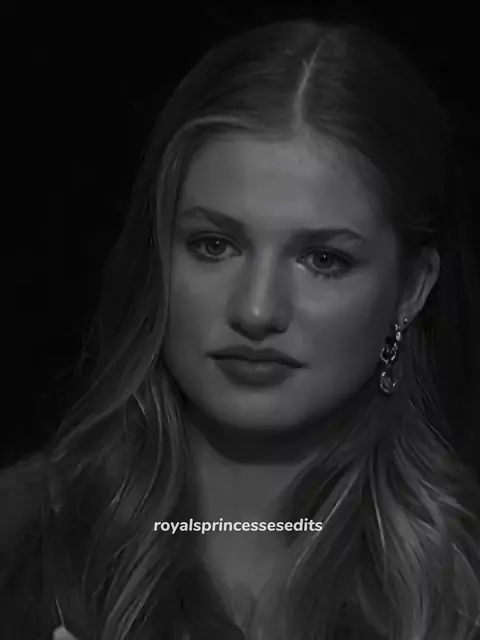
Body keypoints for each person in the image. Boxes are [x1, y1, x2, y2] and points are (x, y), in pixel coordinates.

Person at [1, 18, 480, 640]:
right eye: (214, 245)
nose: (256, 311)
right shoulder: (19, 541)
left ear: (412, 288)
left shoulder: (463, 578)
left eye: (323, 260)